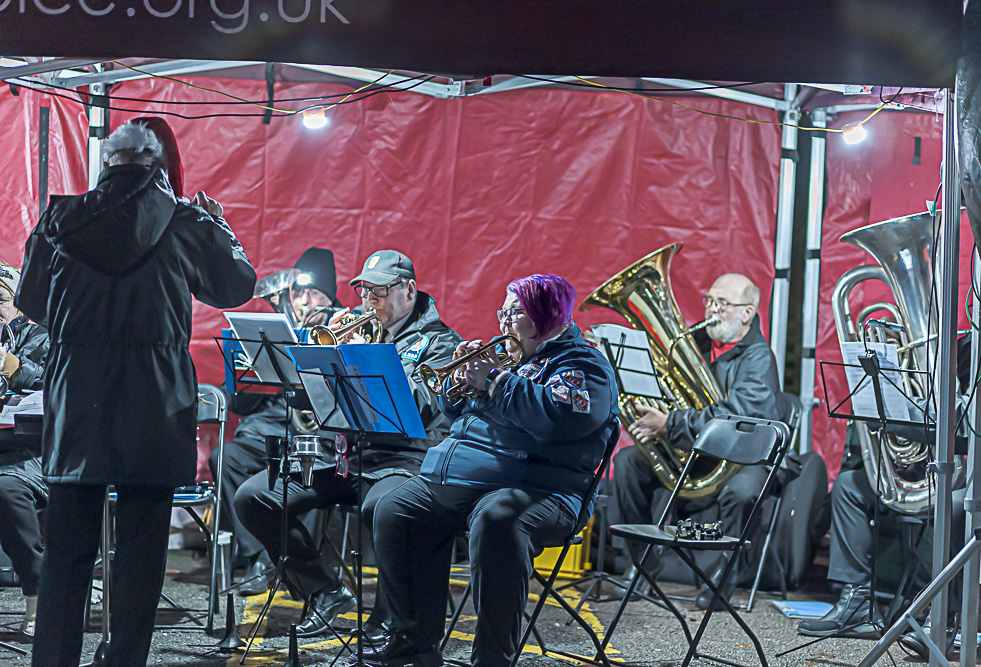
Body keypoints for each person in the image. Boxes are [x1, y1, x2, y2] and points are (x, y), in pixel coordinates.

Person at [15, 118, 256, 667]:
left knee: (66, 553)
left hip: (78, 397)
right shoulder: (186, 220)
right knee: (141, 555)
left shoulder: (60, 218)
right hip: (156, 401)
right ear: (159, 163)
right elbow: (236, 285)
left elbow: (31, 301)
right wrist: (218, 224)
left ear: (108, 162)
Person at [357, 273, 619, 667]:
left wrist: (495, 380)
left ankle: (492, 659)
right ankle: (414, 646)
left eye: (515, 313)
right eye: (503, 312)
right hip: (465, 479)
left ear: (546, 314)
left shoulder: (582, 364)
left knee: (497, 520)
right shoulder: (509, 356)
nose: (503, 322)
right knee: (395, 509)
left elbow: (558, 420)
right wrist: (458, 381)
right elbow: (456, 412)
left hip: (542, 488)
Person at [233, 249, 460, 637]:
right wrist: (319, 359)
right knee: (255, 497)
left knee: (386, 509)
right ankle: (323, 592)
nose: (369, 301)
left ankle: (388, 622)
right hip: (341, 455)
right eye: (364, 291)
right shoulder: (357, 323)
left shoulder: (439, 342)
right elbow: (311, 400)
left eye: (379, 291)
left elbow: (419, 410)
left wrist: (363, 358)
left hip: (400, 459)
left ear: (409, 290)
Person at [799, 303, 981, 654]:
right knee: (849, 487)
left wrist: (898, 412)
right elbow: (942, 385)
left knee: (956, 507)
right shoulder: (975, 347)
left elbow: (970, 422)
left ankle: (944, 619)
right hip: (949, 470)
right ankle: (857, 600)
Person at [608, 272, 789, 609]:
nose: (712, 309)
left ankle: (724, 578)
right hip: (698, 451)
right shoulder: (692, 343)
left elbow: (739, 417)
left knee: (743, 490)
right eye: (710, 300)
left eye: (723, 303)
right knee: (628, 462)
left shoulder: (759, 357)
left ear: (747, 313)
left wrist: (671, 423)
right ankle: (643, 563)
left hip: (747, 456)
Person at [210, 246, 344, 595]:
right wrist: (254, 365)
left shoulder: (340, 328)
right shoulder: (273, 331)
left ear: (330, 298)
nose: (304, 301)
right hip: (271, 427)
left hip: (318, 432)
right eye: (298, 293)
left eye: (315, 293)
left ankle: (299, 563)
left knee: (309, 466)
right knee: (225, 458)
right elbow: (239, 402)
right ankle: (260, 557)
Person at [0, 263, 48, 636]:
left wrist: (12, 366)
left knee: (5, 488)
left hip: (33, 452)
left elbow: (59, 385)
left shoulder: (44, 338)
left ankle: (38, 598)